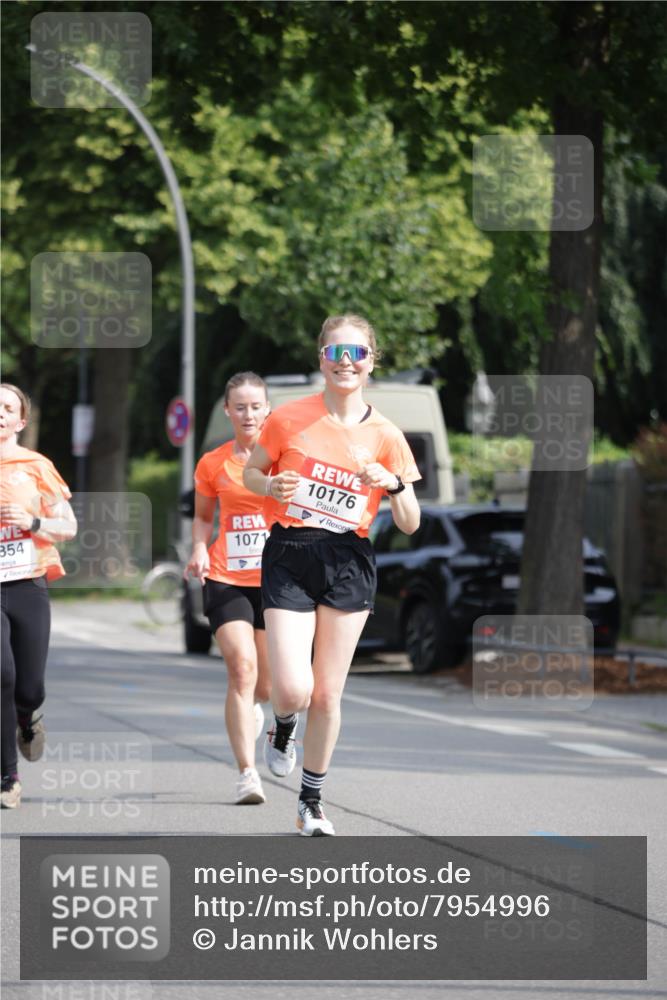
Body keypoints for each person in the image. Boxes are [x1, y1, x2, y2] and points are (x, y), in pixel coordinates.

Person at [244, 314, 421, 836]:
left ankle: (311, 802)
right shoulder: (288, 419)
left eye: (358, 354)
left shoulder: (387, 434)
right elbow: (253, 470)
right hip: (291, 552)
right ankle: (282, 727)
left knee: (327, 694)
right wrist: (269, 487)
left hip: (349, 559)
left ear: (371, 363)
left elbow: (411, 522)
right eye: (336, 353)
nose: (346, 362)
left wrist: (391, 484)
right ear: (321, 358)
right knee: (294, 689)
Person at [185, 372, 272, 805]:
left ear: (268, 408)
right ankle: (247, 774)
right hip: (227, 575)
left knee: (270, 686)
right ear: (227, 411)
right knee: (241, 667)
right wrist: (199, 548)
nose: (249, 413)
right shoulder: (213, 463)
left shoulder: (286, 460)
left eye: (256, 405)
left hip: (278, 582)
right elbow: (203, 518)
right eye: (240, 406)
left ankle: (256, 709)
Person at [0, 384, 77, 809]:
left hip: (26, 582)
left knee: (28, 686)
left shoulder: (35, 466)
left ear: (21, 421)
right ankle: (7, 777)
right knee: (2, 675)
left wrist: (31, 520)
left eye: (7, 408)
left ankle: (27, 718)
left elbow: (68, 528)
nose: (0, 413)